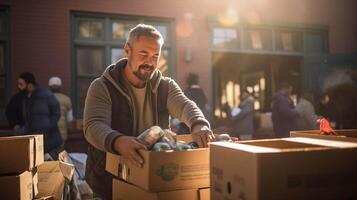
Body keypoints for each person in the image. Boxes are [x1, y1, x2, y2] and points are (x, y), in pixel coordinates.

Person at [83, 24, 214, 199]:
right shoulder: (102, 86)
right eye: (143, 54)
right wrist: (118, 141)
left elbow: (184, 106)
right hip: (109, 180)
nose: (150, 62)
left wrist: (199, 124)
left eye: (155, 56)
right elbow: (93, 126)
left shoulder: (165, 86)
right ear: (127, 51)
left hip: (153, 178)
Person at [19, 72, 63, 159]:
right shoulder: (27, 98)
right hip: (37, 143)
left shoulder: (46, 94)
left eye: (21, 84)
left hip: (50, 142)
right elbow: (29, 121)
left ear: (30, 85)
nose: (19, 87)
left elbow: (56, 113)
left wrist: (48, 128)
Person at [48, 76, 74, 143]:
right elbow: (70, 120)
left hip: (48, 134)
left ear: (49, 87)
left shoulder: (45, 99)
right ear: (60, 87)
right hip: (62, 135)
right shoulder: (66, 99)